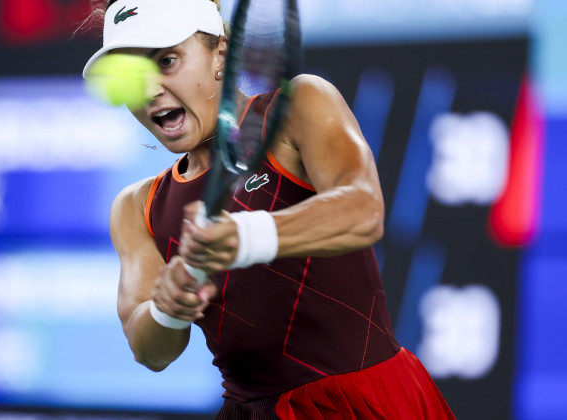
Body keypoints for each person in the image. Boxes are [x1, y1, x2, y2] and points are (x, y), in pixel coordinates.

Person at [83, 0, 456, 418]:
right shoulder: (137, 207)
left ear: (219, 53)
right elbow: (148, 349)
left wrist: (244, 238)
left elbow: (363, 208)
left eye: (167, 61)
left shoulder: (299, 106)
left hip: (368, 402)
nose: (150, 91)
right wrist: (167, 309)